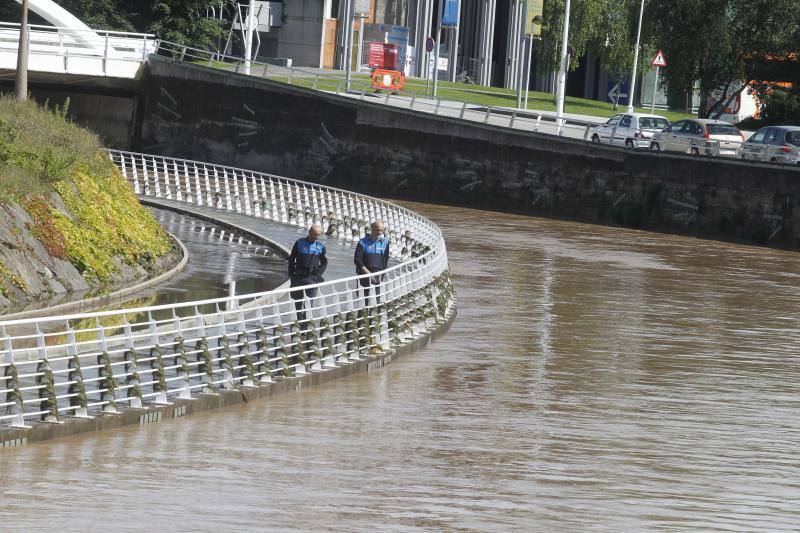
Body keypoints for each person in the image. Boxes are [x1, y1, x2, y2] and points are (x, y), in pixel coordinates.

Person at [288, 224, 327, 321]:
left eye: (318, 235)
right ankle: (299, 319)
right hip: (298, 277)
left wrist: (318, 276)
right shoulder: (299, 243)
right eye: (315, 234)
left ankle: (306, 322)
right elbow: (292, 258)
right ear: (309, 232)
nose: (316, 237)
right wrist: (291, 274)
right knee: (297, 300)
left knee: (310, 302)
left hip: (311, 277)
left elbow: (324, 262)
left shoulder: (320, 247)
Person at [354, 220, 390, 305]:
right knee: (364, 301)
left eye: (381, 230)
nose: (380, 232)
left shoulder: (385, 242)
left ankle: (373, 317)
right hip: (364, 274)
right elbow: (357, 260)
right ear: (372, 229)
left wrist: (382, 274)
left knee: (376, 301)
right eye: (377, 230)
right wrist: (368, 273)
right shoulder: (362, 242)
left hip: (378, 275)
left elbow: (386, 259)